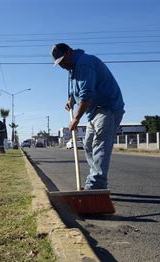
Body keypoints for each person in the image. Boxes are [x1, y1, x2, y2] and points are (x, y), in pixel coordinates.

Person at [51, 43, 125, 190]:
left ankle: (95, 185)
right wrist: (72, 99)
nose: (62, 65)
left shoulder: (84, 63)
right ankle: (96, 181)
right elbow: (77, 91)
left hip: (107, 108)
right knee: (89, 146)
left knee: (99, 145)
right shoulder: (72, 69)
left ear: (70, 52)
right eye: (59, 63)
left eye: (63, 60)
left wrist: (76, 119)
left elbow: (86, 95)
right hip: (94, 112)